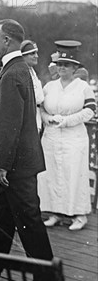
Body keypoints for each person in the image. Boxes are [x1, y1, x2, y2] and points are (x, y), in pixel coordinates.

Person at [0, 18, 54, 281]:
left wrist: (1, 166)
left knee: (28, 218)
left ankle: (47, 278)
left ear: (7, 40)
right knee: (4, 214)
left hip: (16, 164)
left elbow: (9, 126)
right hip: (20, 161)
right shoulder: (16, 70)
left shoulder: (13, 73)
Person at [39, 43, 96, 231]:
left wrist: (67, 121)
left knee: (74, 174)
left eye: (66, 65)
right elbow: (41, 109)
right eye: (60, 64)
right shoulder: (49, 86)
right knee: (52, 174)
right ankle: (55, 212)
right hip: (52, 136)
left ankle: (79, 215)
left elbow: (90, 111)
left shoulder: (83, 87)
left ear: (74, 68)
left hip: (74, 137)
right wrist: (48, 119)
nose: (62, 67)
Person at [21, 40, 44, 131]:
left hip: (35, 117)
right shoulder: (22, 72)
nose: (36, 56)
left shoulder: (32, 71)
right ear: (23, 56)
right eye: (32, 53)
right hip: (26, 119)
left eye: (36, 53)